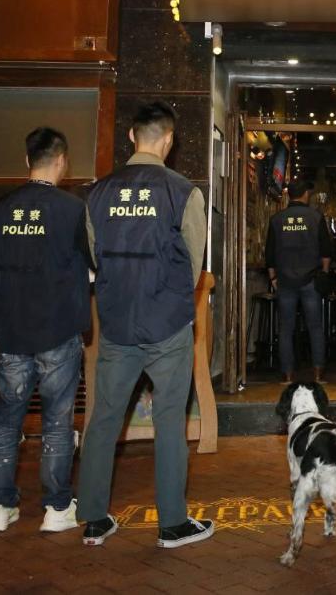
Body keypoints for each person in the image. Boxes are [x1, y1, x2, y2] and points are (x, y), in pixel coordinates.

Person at [77, 102, 215, 549]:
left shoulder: (98, 193)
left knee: (104, 418)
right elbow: (193, 263)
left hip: (117, 322)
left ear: (132, 136)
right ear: (169, 140)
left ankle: (94, 519)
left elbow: (93, 255)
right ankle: (172, 524)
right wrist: (172, 301)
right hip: (167, 323)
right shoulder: (184, 192)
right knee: (170, 420)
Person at [0, 127, 93, 534]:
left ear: (27, 160)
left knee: (7, 417)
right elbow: (92, 265)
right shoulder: (73, 210)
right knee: (57, 419)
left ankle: (0, 507)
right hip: (57, 328)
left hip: (11, 329)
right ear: (62, 161)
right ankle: (56, 507)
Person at [265, 179, 333, 384]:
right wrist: (324, 273)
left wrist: (273, 277)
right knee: (315, 327)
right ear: (305, 194)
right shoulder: (316, 217)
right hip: (311, 279)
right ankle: (318, 373)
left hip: (285, 280)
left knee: (286, 328)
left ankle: (287, 375)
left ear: (288, 194)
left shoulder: (277, 219)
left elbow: (270, 254)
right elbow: (326, 250)